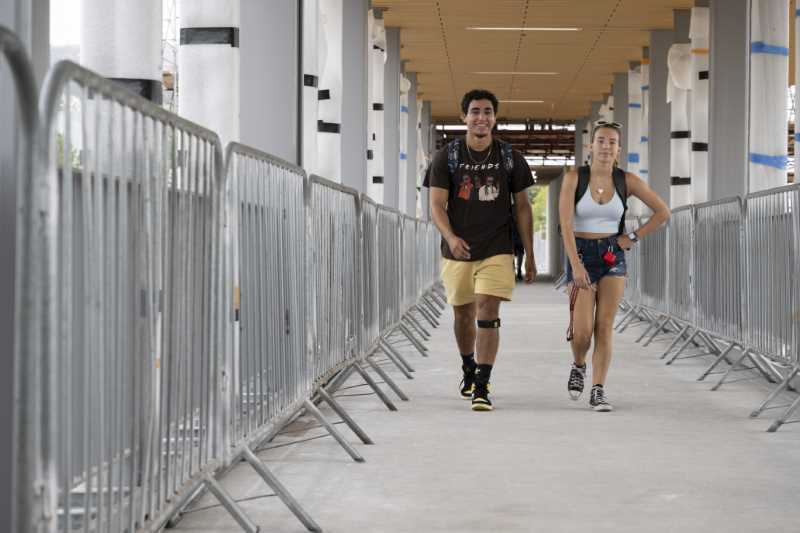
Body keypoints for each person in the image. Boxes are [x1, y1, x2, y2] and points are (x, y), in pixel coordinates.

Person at [429, 88, 536, 412]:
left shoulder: (509, 157)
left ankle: (483, 383)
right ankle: (468, 366)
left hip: (497, 247)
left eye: (487, 111)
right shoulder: (446, 156)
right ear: (464, 117)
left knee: (488, 311)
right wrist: (450, 237)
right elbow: (436, 203)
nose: (481, 117)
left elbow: (522, 207)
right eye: (475, 111)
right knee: (463, 314)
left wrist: (529, 254)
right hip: (458, 249)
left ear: (494, 118)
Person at [558, 120, 670, 412]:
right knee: (582, 332)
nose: (606, 147)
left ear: (619, 149)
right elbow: (566, 225)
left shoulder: (627, 180)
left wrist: (632, 237)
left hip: (612, 255)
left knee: (604, 326)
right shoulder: (574, 178)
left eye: (612, 142)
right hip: (580, 253)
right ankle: (579, 364)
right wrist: (575, 265)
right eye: (601, 141)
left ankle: (598, 389)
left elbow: (662, 212)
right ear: (591, 146)